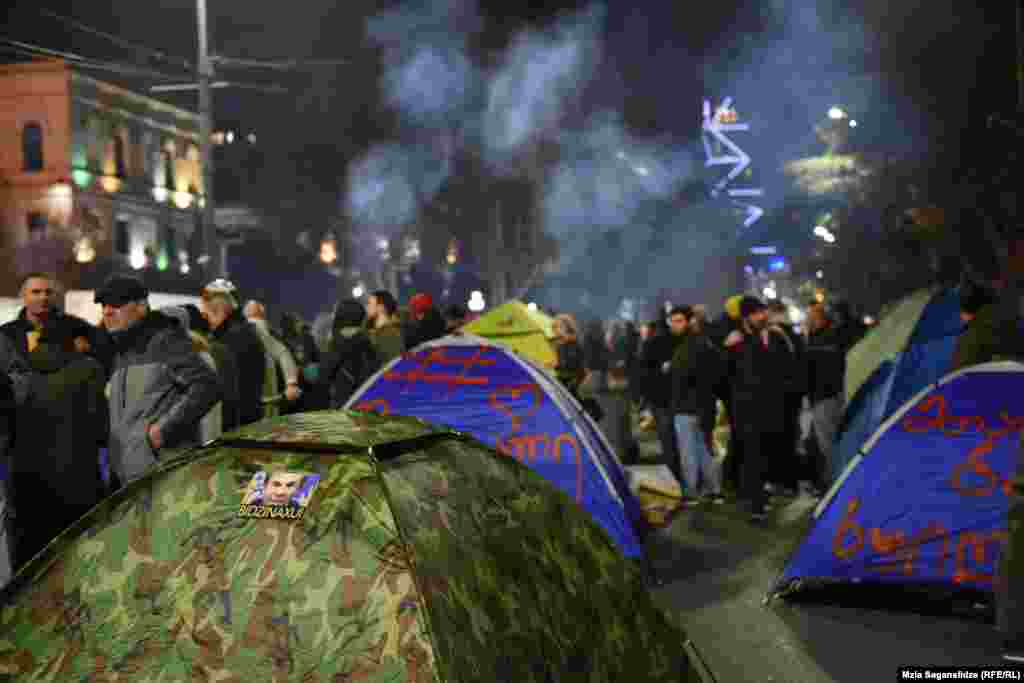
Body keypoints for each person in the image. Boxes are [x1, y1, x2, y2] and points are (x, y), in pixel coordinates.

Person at [99, 275, 221, 486]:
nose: (107, 311)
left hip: (163, 476)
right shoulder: (121, 351)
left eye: (117, 304)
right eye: (104, 305)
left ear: (141, 306)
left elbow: (207, 385)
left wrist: (162, 432)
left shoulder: (164, 340)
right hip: (130, 478)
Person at [725, 296, 792, 522]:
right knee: (752, 455)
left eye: (762, 311)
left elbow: (786, 368)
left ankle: (763, 492)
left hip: (772, 407)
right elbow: (727, 374)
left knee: (767, 453)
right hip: (746, 409)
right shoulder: (735, 341)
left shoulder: (774, 336)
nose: (762, 316)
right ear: (746, 317)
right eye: (756, 313)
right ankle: (756, 504)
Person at [0, 272, 113, 376]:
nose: (44, 297)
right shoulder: (7, 333)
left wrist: (85, 351)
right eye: (36, 292)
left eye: (48, 292)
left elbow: (105, 354)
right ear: (23, 296)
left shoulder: (74, 326)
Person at [670, 306, 723, 503]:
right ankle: (714, 489)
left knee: (688, 451)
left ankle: (691, 491)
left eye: (678, 321)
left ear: (690, 322)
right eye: (672, 321)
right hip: (702, 406)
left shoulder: (687, 346)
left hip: (686, 405)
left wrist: (671, 370)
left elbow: (685, 376)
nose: (674, 326)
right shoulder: (705, 344)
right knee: (702, 449)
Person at [201, 280, 265, 427]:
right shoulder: (244, 331)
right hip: (248, 419)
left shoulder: (231, 338)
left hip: (236, 423)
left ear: (219, 309)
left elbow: (227, 391)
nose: (205, 316)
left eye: (207, 311)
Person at [804, 302, 848, 493]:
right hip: (825, 396)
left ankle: (835, 483)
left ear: (819, 319)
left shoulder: (826, 338)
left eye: (810, 317)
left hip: (825, 396)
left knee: (827, 443)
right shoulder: (821, 337)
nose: (807, 320)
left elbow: (823, 368)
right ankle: (824, 481)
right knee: (816, 442)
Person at [317, 299, 381, 408]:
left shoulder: (338, 342)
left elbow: (324, 375)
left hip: (344, 403)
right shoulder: (369, 341)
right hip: (368, 401)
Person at [243, 301, 301, 419]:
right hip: (271, 395)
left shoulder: (249, 328)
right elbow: (283, 353)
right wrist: (291, 383)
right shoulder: (266, 331)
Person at [365, 290, 405, 362]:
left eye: (369, 303)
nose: (367, 307)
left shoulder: (389, 333)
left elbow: (394, 362)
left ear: (381, 307)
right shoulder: (375, 331)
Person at [552, 313, 585, 397]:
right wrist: (555, 365)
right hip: (564, 380)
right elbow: (560, 363)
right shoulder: (558, 344)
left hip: (576, 382)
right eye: (554, 327)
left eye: (559, 327)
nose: (556, 330)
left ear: (568, 327)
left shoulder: (576, 342)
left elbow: (579, 363)